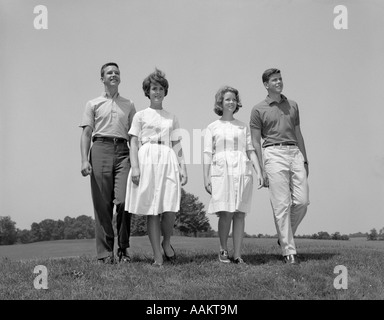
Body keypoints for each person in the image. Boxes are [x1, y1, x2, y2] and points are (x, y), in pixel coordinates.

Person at [125, 69, 188, 267]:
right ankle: (157, 256)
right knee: (152, 210)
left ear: (165, 91)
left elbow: (177, 143)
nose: (157, 92)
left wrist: (183, 168)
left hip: (167, 159)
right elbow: (134, 143)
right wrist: (135, 168)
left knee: (170, 209)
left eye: (161, 88)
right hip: (147, 159)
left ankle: (166, 242)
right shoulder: (140, 116)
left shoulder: (171, 117)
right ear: (148, 91)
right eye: (154, 88)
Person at [250, 68, 309, 265]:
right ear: (266, 85)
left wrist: (305, 159)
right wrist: (261, 168)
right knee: (281, 205)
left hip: (294, 153)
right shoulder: (258, 109)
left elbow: (299, 134)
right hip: (273, 154)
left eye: (280, 79)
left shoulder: (293, 105)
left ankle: (284, 236)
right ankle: (288, 250)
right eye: (274, 80)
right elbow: (256, 142)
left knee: (302, 201)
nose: (279, 82)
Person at [80, 62, 136, 264]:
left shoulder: (129, 104)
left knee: (123, 201)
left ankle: (123, 248)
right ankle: (105, 253)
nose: (114, 75)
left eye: (117, 72)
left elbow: (134, 137)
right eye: (109, 73)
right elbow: (86, 133)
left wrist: (137, 163)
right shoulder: (92, 104)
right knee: (102, 205)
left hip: (123, 152)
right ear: (102, 78)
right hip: (100, 149)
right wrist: (84, 160)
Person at [203, 86, 263, 264]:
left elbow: (250, 150)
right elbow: (207, 153)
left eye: (234, 99)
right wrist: (206, 177)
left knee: (239, 213)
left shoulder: (242, 126)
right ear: (220, 102)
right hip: (221, 170)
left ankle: (237, 254)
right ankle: (223, 249)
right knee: (226, 212)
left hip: (241, 169)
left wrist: (259, 171)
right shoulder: (212, 127)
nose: (231, 102)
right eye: (227, 99)